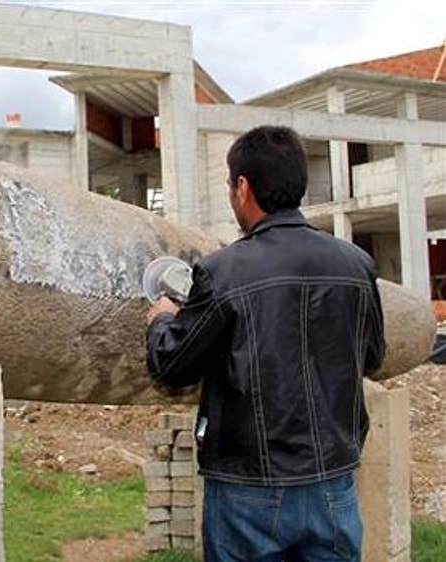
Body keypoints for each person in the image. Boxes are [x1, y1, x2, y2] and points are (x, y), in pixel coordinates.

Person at [145, 125, 385, 562]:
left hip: (248, 490)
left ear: (243, 187)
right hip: (333, 483)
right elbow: (372, 357)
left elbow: (172, 365)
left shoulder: (223, 272)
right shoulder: (356, 265)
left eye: (228, 183)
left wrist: (162, 319)